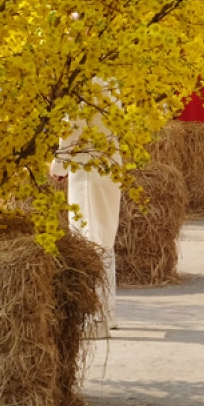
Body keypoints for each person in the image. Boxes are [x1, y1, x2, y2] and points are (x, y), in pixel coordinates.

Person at [50, 81, 122, 337]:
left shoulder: (84, 80)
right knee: (103, 237)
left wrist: (59, 165)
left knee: (91, 238)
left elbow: (72, 129)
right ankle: (107, 312)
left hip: (89, 166)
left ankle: (98, 318)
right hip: (108, 162)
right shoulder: (109, 81)